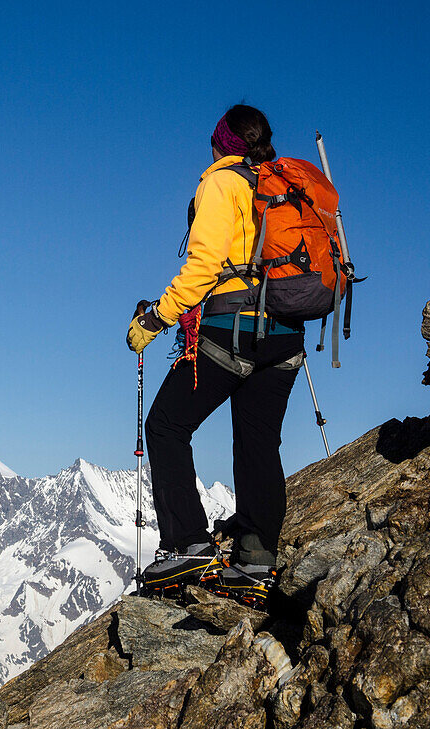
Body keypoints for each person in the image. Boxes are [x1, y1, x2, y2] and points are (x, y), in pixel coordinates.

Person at [125, 104, 304, 606]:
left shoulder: (221, 183)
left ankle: (189, 545)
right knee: (258, 444)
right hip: (287, 332)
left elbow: (203, 266)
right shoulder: (281, 183)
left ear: (221, 143)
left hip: (233, 330)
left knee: (165, 426)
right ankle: (255, 562)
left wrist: (155, 319)